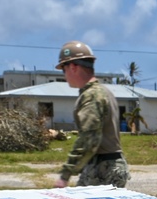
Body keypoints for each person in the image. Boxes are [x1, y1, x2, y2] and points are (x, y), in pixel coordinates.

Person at [54, 41, 130, 188]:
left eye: (64, 70)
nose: (64, 76)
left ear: (73, 67)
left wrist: (65, 175)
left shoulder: (91, 96)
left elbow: (89, 139)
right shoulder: (103, 92)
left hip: (103, 168)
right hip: (104, 165)